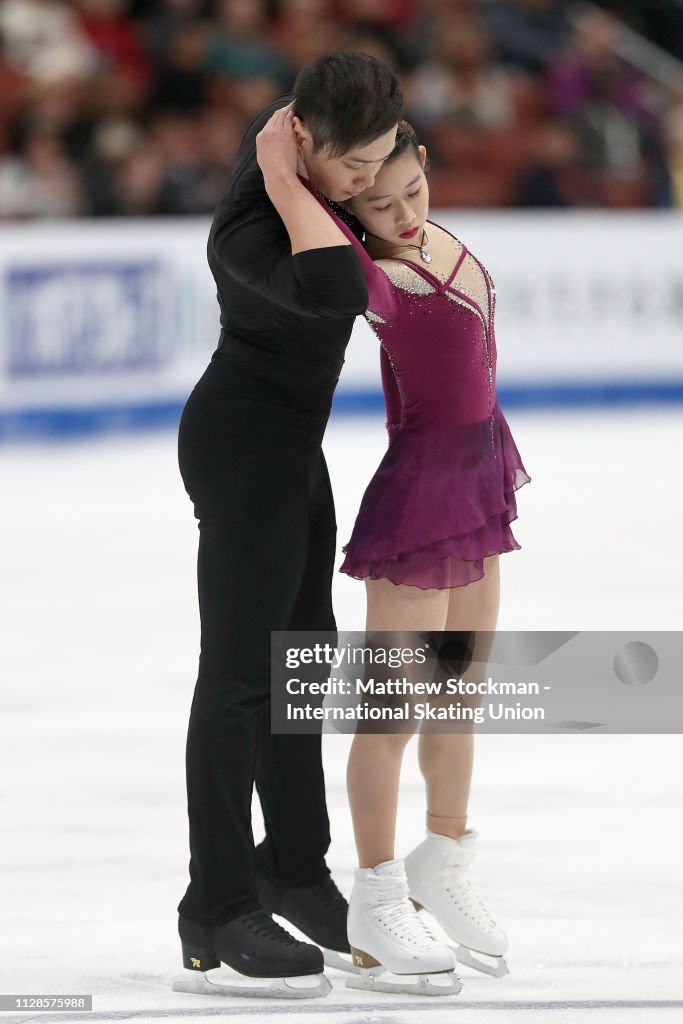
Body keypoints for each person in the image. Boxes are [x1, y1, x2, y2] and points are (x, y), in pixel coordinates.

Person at [174, 52, 402, 999]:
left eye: (377, 162)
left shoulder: (312, 149)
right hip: (241, 446)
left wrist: (339, 165)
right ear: (301, 142)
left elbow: (395, 196)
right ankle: (215, 904)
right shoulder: (252, 221)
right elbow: (339, 291)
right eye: (353, 167)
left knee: (302, 662)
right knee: (237, 680)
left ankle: (296, 870)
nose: (368, 183)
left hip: (292, 454)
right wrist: (277, 171)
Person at [309, 121, 530, 994]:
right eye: (376, 203)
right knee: (391, 710)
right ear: (347, 208)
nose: (402, 213)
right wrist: (280, 159)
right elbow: (303, 206)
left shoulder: (437, 236)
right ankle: (373, 890)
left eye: (410, 190)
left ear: (424, 166)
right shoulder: (372, 277)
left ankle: (443, 851)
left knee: (457, 695)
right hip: (421, 502)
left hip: (479, 481)